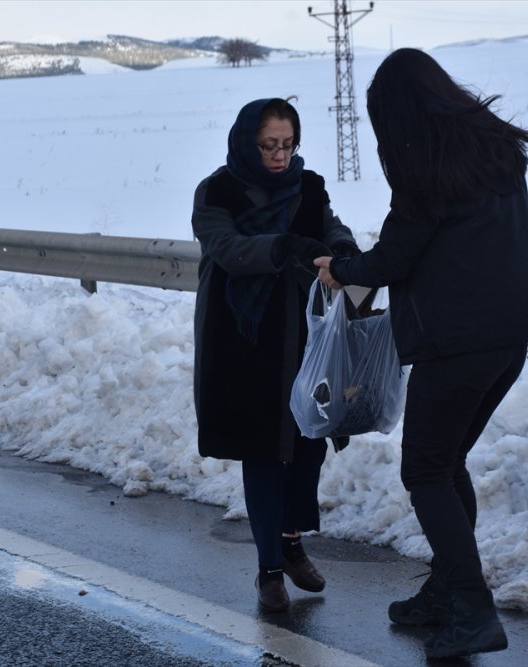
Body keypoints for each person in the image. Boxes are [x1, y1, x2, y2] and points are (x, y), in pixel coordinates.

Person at [315, 49, 528, 658]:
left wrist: (338, 269)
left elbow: (393, 259)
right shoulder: (493, 152)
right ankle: (447, 593)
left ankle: (473, 611)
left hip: (458, 344)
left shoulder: (427, 170)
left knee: (425, 471)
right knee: (447, 466)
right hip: (508, 339)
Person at [191, 97, 361, 613]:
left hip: (307, 336)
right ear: (248, 142)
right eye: (269, 145)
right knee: (264, 451)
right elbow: (226, 248)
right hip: (246, 339)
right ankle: (268, 569)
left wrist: (345, 250)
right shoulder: (217, 191)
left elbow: (329, 227)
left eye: (287, 144)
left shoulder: (308, 186)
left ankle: (291, 541)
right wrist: (283, 246)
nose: (280, 155)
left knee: (308, 443)